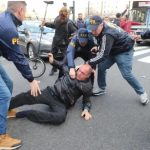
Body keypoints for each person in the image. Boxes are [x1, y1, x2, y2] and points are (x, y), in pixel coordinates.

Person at [8, 53, 93, 125]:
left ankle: (27, 114)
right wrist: (52, 61)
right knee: (28, 95)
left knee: (60, 118)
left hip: (61, 103)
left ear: (87, 76)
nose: (79, 73)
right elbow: (61, 65)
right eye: (79, 70)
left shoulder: (87, 86)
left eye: (83, 73)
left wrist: (86, 110)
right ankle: (6, 106)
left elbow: (87, 100)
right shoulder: (72, 70)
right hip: (51, 93)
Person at [0, 1, 41, 149]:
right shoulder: (9, 28)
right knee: (4, 94)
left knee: (8, 83)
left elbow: (8, 51)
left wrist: (13, 54)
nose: (26, 15)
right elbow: (17, 57)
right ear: (20, 10)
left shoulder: (5, 20)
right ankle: (1, 138)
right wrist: (31, 79)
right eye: (25, 12)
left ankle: (5, 109)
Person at [86, 15, 149, 105]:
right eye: (91, 29)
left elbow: (103, 55)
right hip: (113, 49)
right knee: (101, 67)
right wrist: (97, 46)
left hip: (124, 50)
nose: (93, 31)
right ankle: (102, 88)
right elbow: (100, 40)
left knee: (127, 74)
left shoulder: (107, 34)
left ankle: (142, 92)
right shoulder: (101, 28)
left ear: (101, 25)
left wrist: (89, 62)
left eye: (95, 29)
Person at [42, 6, 77, 76]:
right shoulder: (57, 19)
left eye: (63, 14)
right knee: (53, 55)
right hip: (56, 41)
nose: (61, 15)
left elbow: (76, 32)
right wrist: (45, 23)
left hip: (64, 42)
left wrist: (70, 38)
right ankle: (54, 68)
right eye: (61, 13)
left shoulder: (69, 23)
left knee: (67, 56)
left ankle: (66, 69)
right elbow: (54, 25)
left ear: (66, 14)